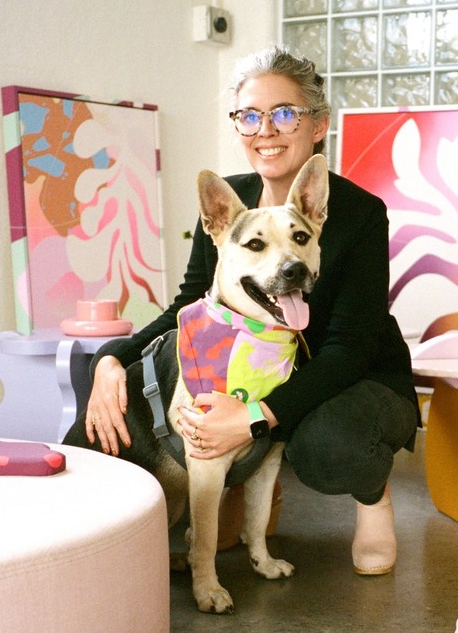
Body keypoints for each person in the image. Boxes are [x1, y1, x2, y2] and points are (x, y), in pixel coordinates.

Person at [84, 44, 420, 576]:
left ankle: (372, 494)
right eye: (249, 115)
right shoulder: (230, 204)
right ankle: (247, 493)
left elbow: (348, 347)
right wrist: (110, 359)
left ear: (318, 125)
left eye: (285, 113)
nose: (266, 129)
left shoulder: (358, 212)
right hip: (264, 370)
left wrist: (254, 417)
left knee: (324, 444)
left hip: (355, 375)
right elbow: (190, 302)